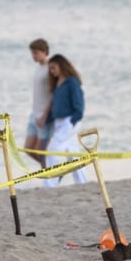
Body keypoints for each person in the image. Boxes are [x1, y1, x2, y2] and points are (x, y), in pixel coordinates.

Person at [43, 54, 87, 188]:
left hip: (69, 121)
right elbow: (57, 107)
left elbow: (79, 105)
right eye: (50, 69)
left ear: (62, 66)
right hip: (59, 122)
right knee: (72, 154)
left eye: (54, 67)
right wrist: (46, 119)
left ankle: (50, 184)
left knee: (53, 150)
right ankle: (83, 183)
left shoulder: (72, 82)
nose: (52, 71)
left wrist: (72, 121)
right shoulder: (57, 84)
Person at [25, 39, 53, 167]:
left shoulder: (50, 69)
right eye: (32, 53)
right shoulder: (38, 68)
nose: (33, 56)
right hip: (34, 114)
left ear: (44, 52)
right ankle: (52, 171)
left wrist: (45, 115)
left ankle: (49, 178)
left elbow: (53, 94)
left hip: (44, 116)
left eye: (36, 53)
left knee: (41, 151)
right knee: (28, 148)